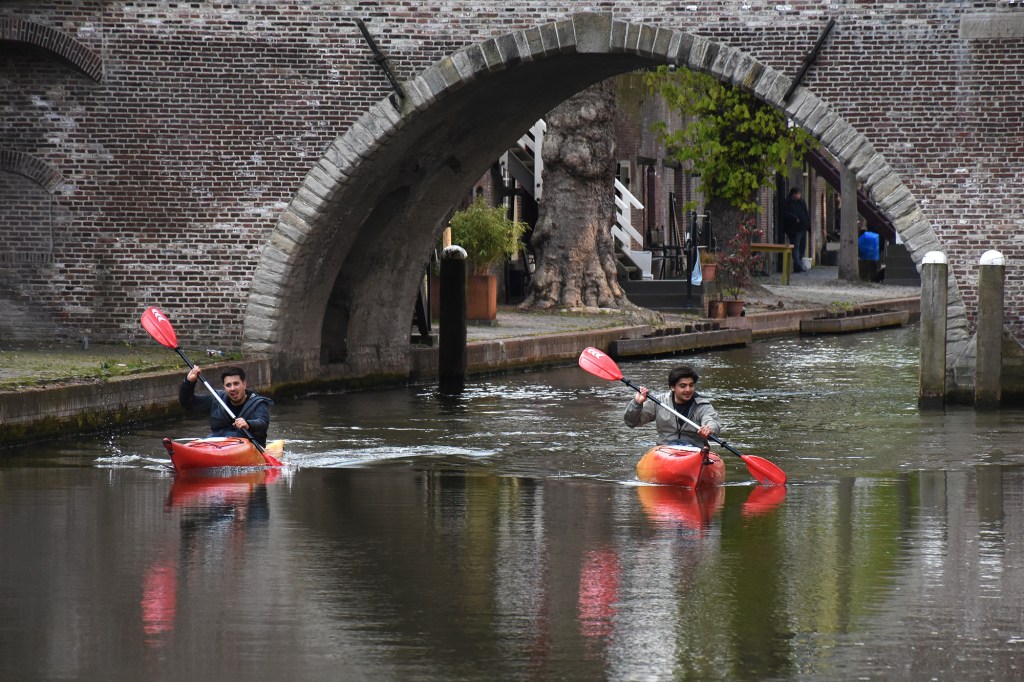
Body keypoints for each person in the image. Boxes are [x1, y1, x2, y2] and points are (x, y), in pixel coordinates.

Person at [623, 365, 721, 447]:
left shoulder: (702, 405)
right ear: (672, 387)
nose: (688, 390)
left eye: (691, 385)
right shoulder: (658, 402)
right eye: (683, 386)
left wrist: (709, 429)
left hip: (694, 453)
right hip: (665, 451)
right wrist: (637, 403)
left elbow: (711, 421)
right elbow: (631, 422)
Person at [179, 365, 272, 446]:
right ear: (224, 387)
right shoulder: (217, 399)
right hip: (218, 444)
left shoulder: (258, 403)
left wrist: (248, 424)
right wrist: (189, 382)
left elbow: (262, 422)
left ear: (244, 384)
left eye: (236, 384)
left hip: (247, 446)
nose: (232, 388)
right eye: (228, 385)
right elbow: (188, 403)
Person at [781, 187, 811, 272]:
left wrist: (808, 226)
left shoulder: (802, 202)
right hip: (794, 229)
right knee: (795, 247)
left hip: (803, 228)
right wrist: (794, 218)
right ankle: (798, 265)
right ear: (793, 194)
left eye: (799, 194)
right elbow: (785, 214)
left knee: (802, 247)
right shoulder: (788, 203)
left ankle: (798, 265)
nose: (799, 195)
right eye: (798, 194)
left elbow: (806, 213)